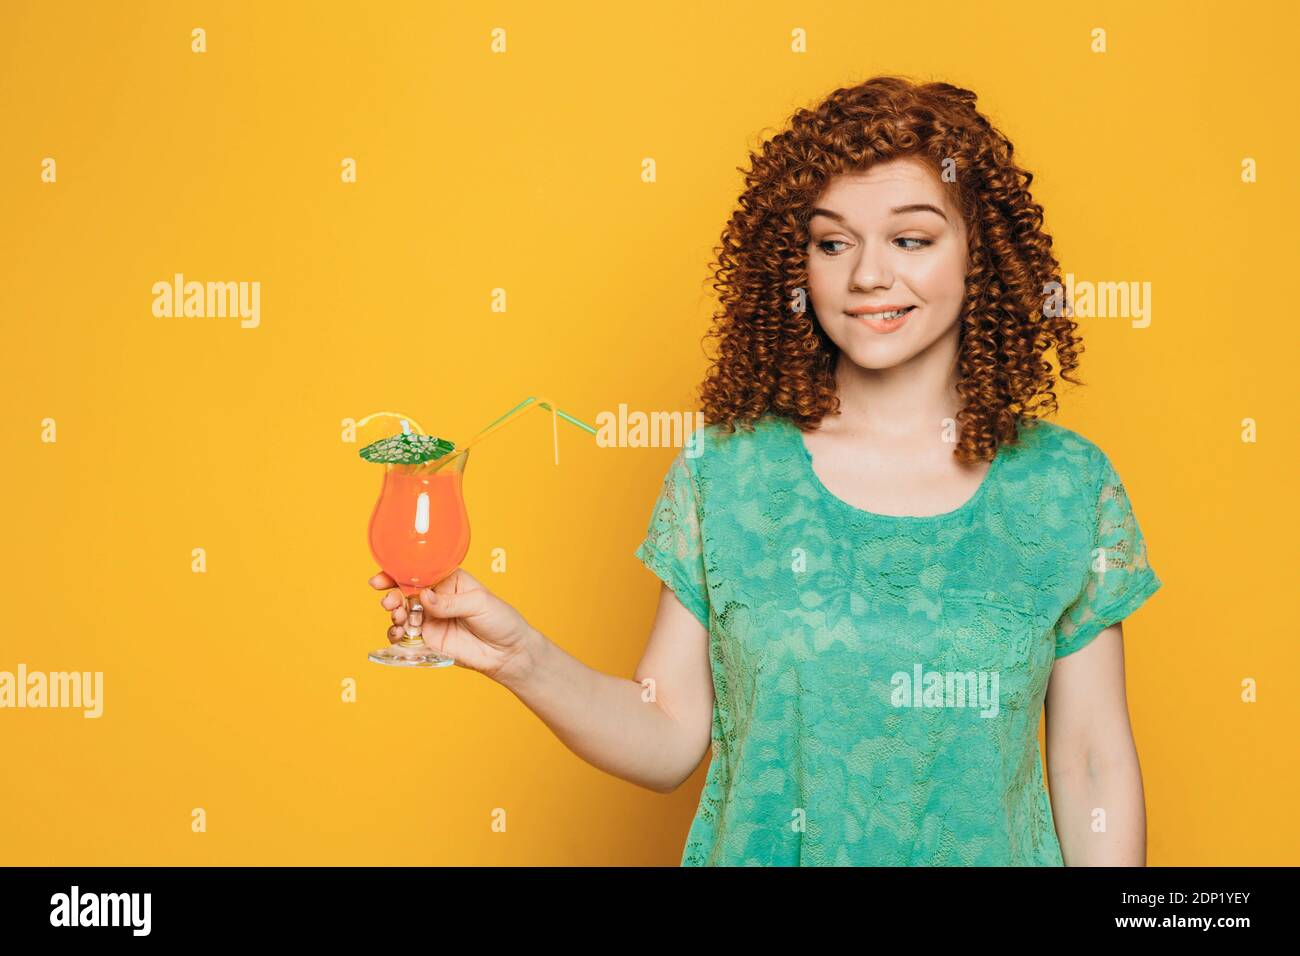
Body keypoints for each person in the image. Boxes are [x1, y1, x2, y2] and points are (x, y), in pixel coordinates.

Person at [369, 75, 1162, 866]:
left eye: (911, 239)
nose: (868, 277)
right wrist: (519, 658)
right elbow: (668, 735)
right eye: (832, 242)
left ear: (978, 251)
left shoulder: (1065, 488)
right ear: (797, 263)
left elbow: (1093, 762)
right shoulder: (728, 476)